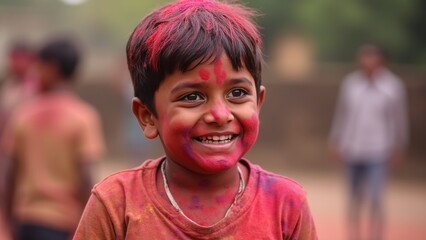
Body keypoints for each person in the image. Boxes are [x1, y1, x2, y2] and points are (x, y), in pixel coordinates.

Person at [73, 1, 317, 239]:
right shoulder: (116, 203)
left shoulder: (286, 205)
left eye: (237, 93)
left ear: (258, 103)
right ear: (147, 116)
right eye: (192, 96)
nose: (221, 115)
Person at [1, 38, 105, 240]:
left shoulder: (23, 114)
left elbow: (7, 175)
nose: (35, 74)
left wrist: (9, 221)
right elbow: (85, 176)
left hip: (25, 221)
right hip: (64, 222)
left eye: (39, 66)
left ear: (52, 68)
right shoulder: (83, 117)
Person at [329, 44, 409, 240]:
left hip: (379, 149)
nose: (367, 62)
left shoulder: (392, 86)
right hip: (353, 148)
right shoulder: (351, 84)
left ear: (381, 60)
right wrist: (336, 140)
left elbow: (399, 119)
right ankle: (354, 235)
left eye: (371, 57)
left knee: (376, 197)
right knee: (354, 198)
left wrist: (399, 146)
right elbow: (342, 115)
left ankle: (375, 236)